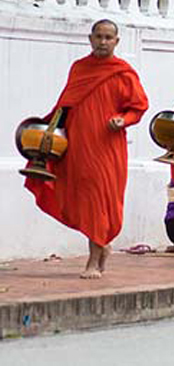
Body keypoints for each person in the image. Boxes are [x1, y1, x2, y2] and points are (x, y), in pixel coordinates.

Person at [25, 19, 148, 279]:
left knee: (100, 199)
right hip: (77, 146)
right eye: (99, 37)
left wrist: (122, 120)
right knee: (80, 199)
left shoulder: (123, 72)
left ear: (116, 41)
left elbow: (138, 107)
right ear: (90, 38)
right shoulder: (79, 68)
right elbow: (66, 104)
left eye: (108, 37)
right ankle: (101, 246)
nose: (103, 42)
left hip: (107, 148)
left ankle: (94, 258)